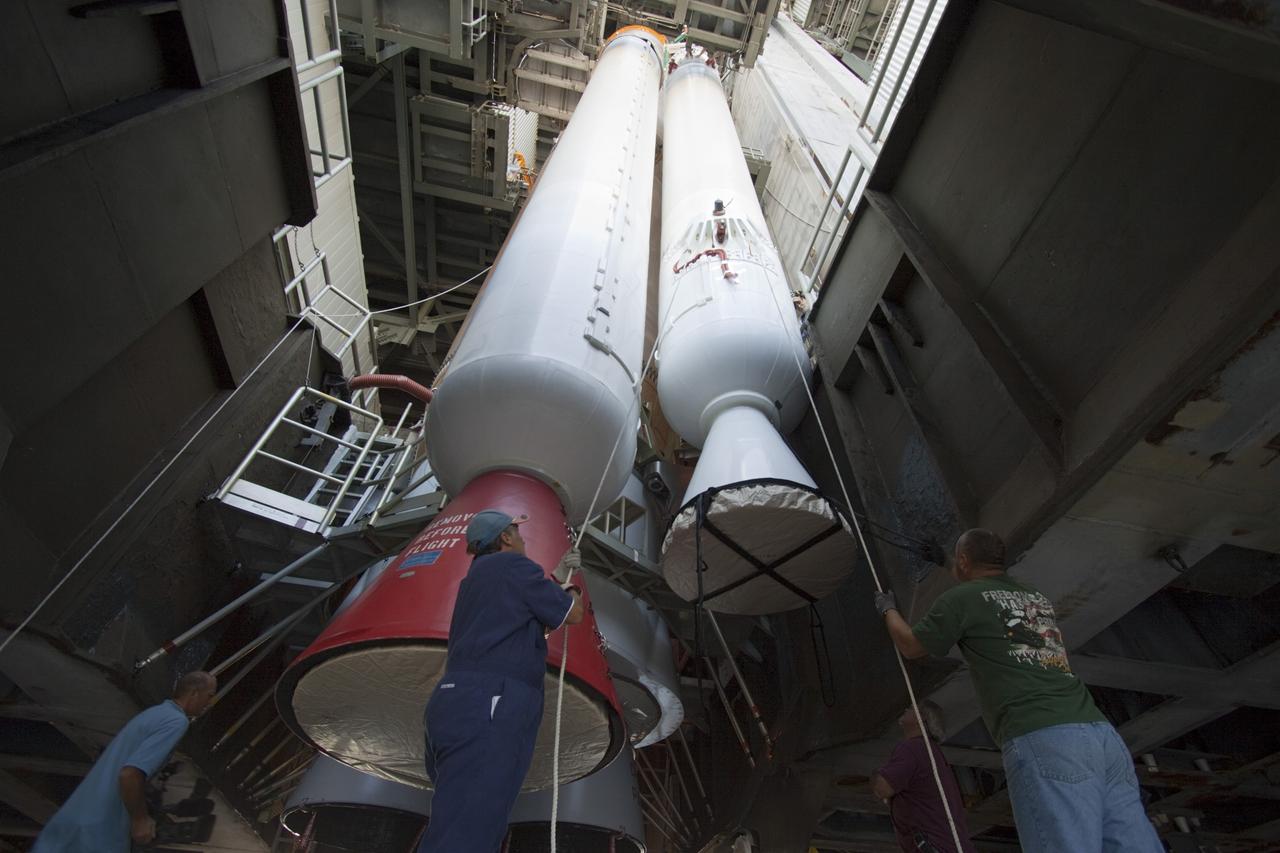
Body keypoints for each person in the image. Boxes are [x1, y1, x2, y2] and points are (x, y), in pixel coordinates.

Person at [875, 529, 1164, 853]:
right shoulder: (1034, 598)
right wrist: (944, 561)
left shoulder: (962, 600)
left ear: (965, 560)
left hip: (1043, 737)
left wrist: (888, 609)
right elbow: (985, 594)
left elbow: (911, 646)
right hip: (1100, 737)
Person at [417, 509, 584, 852]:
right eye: (517, 533)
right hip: (491, 701)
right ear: (505, 538)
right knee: (470, 831)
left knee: (460, 816)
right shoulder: (514, 568)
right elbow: (573, 614)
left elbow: (527, 620)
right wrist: (573, 589)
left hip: (453, 701)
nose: (522, 538)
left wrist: (556, 579)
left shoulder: (474, 579)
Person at [33, 671, 217, 852]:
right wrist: (140, 820)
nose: (209, 703)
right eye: (209, 696)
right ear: (194, 693)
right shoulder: (176, 722)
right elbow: (130, 774)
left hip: (75, 818)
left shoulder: (156, 713)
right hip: (100, 829)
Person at [871, 701, 975, 853]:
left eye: (912, 708)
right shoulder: (931, 753)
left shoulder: (914, 748)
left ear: (922, 717)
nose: (906, 709)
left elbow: (883, 787)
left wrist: (874, 776)